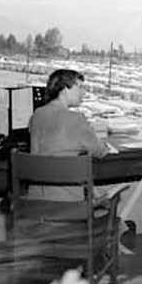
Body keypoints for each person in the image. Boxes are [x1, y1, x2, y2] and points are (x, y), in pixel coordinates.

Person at [28, 68, 109, 201]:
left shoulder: (37, 115)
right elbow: (99, 151)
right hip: (68, 207)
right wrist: (104, 144)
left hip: (36, 206)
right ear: (65, 89)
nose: (84, 93)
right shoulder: (77, 119)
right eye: (80, 87)